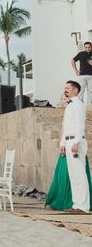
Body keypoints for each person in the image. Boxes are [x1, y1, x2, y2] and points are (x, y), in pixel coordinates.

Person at [59, 80, 90, 212]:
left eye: (68, 88)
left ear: (75, 90)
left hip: (76, 142)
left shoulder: (78, 104)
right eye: (64, 88)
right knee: (73, 175)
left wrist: (76, 142)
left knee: (79, 175)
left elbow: (80, 124)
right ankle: (76, 204)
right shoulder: (70, 105)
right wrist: (62, 143)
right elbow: (67, 126)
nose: (65, 90)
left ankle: (83, 206)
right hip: (69, 141)